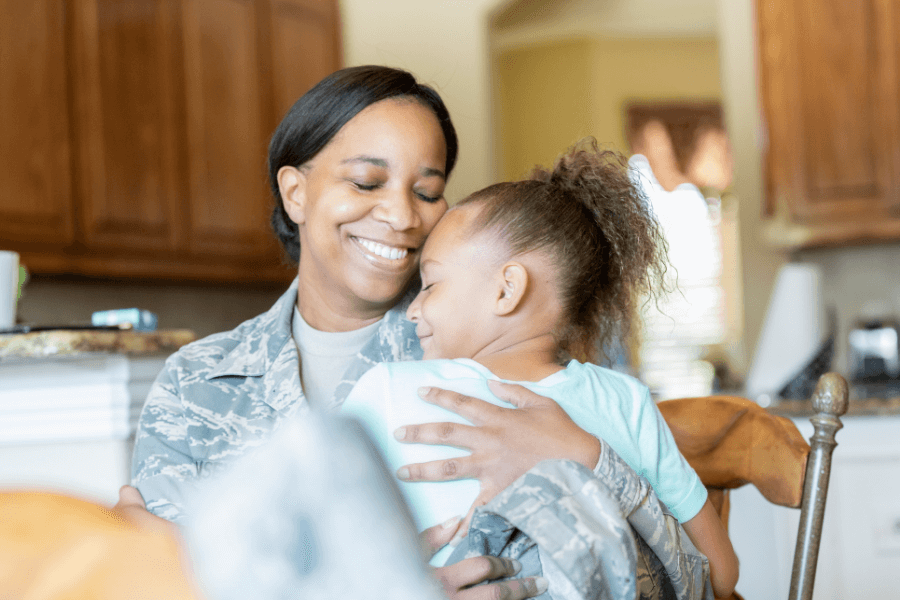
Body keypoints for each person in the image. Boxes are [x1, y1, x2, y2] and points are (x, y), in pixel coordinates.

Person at [121, 65, 602, 600]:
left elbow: (611, 569)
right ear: (295, 192)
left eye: (427, 191)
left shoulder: (500, 354)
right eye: (366, 182)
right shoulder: (195, 383)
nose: (401, 215)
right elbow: (158, 582)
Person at [341, 141, 739, 598]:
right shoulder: (623, 401)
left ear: (507, 289)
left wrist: (589, 457)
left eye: (430, 285)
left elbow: (305, 563)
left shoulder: (391, 390)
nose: (413, 310)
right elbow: (721, 575)